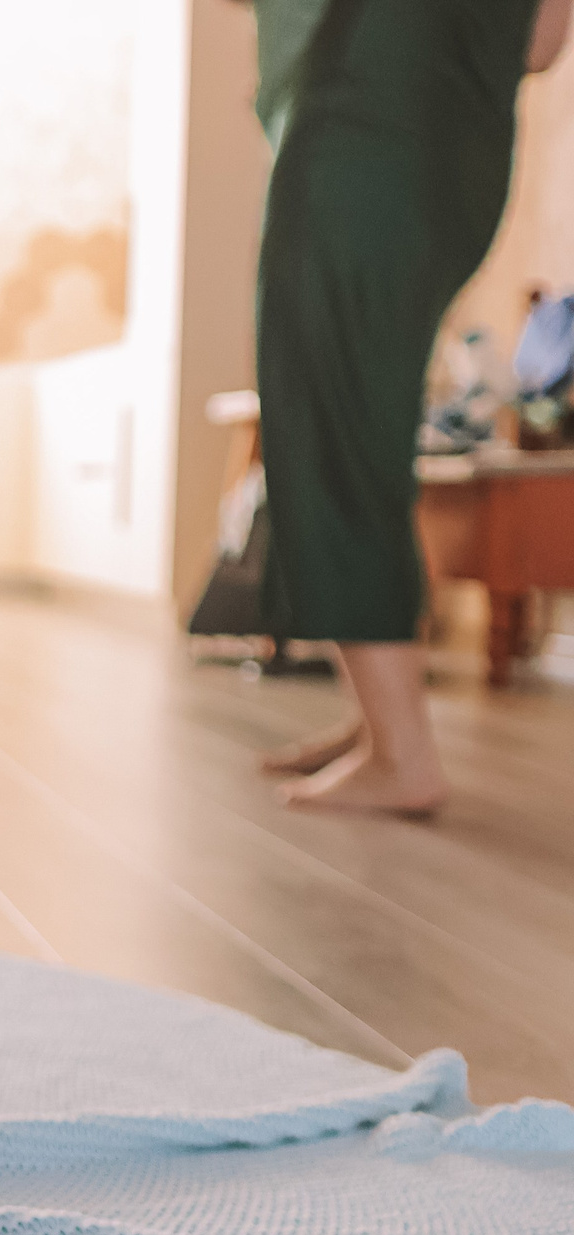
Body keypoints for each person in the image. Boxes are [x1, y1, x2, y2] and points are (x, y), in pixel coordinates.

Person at [248, 0, 570, 813]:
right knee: (374, 431)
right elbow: (538, 44)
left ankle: (402, 752)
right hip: (460, 159)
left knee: (331, 432)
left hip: (356, 140)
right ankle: (377, 723)